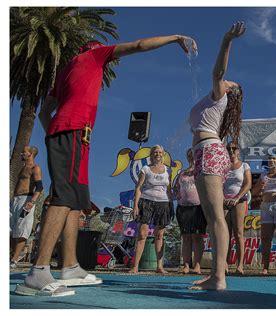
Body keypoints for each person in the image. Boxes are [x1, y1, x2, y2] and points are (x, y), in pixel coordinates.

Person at [16, 34, 197, 297]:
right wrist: (175, 38)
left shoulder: (67, 70)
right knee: (64, 198)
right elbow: (138, 45)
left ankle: (70, 266)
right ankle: (38, 271)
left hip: (73, 135)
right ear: (97, 50)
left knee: (77, 202)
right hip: (73, 131)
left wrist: (55, 134)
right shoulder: (93, 56)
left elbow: (46, 113)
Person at [188, 22, 245, 290]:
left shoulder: (219, 97)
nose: (226, 80)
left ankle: (219, 278)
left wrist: (227, 40)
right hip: (205, 153)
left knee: (217, 218)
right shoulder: (212, 106)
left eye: (230, 82)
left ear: (229, 91)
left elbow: (218, 70)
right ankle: (216, 275)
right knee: (212, 218)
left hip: (209, 152)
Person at [130, 145, 172, 274]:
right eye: (155, 152)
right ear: (151, 155)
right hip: (146, 201)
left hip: (163, 203)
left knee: (159, 235)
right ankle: (135, 266)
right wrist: (135, 205)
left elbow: (169, 190)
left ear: (163, 154)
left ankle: (159, 266)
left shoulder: (167, 170)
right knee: (142, 234)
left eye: (160, 152)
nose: (157, 154)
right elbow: (138, 188)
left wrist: (171, 206)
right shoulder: (145, 169)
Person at [174, 148, 207, 275]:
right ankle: (186, 265)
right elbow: (177, 187)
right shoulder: (182, 173)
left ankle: (197, 265)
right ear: (187, 157)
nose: (191, 157)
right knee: (186, 238)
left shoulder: (201, 171)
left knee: (197, 237)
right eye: (189, 155)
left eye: (194, 155)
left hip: (198, 207)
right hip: (183, 207)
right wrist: (177, 193)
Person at [10, 146, 43, 268]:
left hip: (26, 200)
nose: (21, 153)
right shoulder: (22, 168)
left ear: (30, 154)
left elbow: (39, 187)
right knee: (10, 229)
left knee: (22, 230)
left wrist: (32, 202)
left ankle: (14, 260)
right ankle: (11, 255)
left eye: (24, 152)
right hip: (15, 200)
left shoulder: (35, 168)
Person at [223, 144, 252, 275]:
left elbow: (248, 184)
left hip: (239, 200)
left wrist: (237, 197)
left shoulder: (245, 166)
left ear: (238, 151)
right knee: (225, 234)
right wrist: (222, 198)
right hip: (224, 201)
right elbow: (217, 184)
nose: (231, 151)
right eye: (228, 149)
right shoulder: (223, 167)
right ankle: (224, 264)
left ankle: (240, 265)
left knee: (239, 233)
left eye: (233, 148)